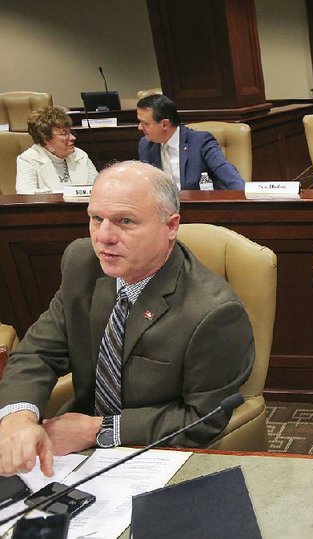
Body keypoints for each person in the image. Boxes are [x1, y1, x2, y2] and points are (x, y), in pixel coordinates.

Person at [0, 161, 254, 477]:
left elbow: (203, 418)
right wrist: (18, 418)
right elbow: (37, 352)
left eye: (125, 221)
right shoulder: (83, 263)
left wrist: (96, 430)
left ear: (171, 226)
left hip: (156, 455)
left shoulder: (213, 312)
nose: (103, 237)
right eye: (96, 218)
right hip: (71, 454)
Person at [137, 94, 245, 190]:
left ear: (165, 124)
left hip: (196, 208)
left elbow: (230, 178)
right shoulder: (146, 145)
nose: (139, 127)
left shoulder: (200, 142)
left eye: (145, 123)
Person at [15, 106, 98, 194]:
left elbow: (98, 188)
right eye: (64, 133)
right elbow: (25, 194)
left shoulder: (80, 155)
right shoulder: (29, 159)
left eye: (70, 132)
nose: (73, 138)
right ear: (46, 138)